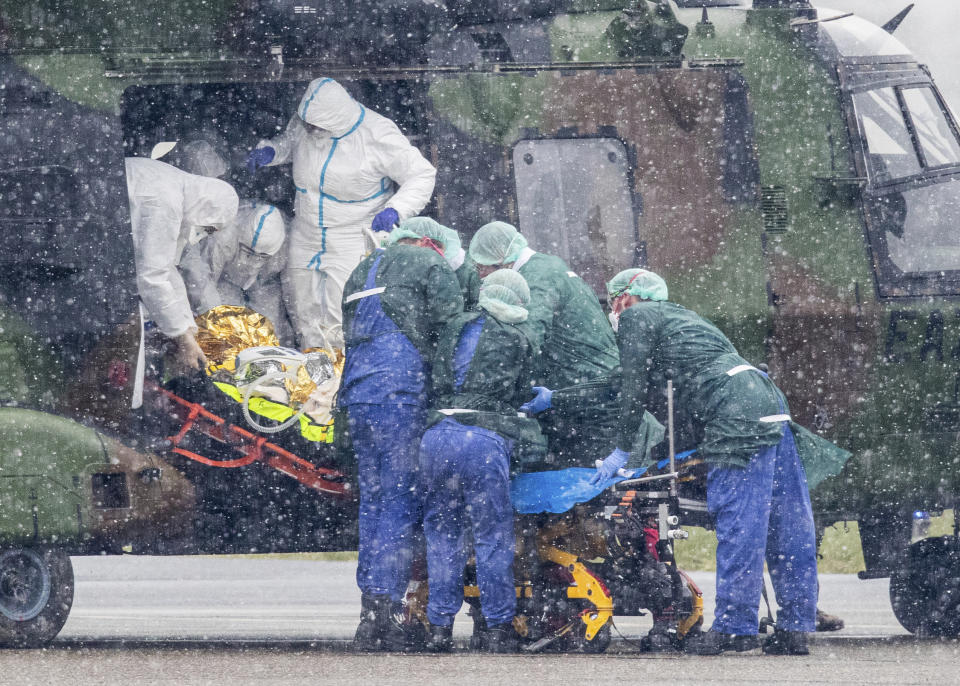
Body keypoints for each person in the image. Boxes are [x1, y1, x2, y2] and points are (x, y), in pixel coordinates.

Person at [524, 268, 850, 656]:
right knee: (786, 521)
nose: (613, 309)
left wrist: (621, 452)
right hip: (768, 401)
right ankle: (795, 627)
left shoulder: (637, 318)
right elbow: (615, 384)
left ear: (626, 297)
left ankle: (735, 627)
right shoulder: (682, 317)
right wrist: (556, 398)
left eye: (613, 300)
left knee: (741, 522)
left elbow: (631, 393)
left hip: (736, 411)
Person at [337, 225, 463, 650]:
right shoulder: (430, 262)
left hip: (357, 394)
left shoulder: (360, 269)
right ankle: (386, 609)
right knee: (399, 499)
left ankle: (370, 612)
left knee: (373, 500)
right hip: (399, 393)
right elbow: (453, 333)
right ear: (431, 243)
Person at [247, 77, 437, 351]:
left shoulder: (377, 135)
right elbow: (291, 141)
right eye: (306, 124)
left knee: (342, 307)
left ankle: (340, 371)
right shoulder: (307, 122)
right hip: (306, 227)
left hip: (352, 232)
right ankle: (311, 366)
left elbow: (422, 174)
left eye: (315, 126)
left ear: (334, 118)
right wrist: (273, 150)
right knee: (301, 305)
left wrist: (397, 208)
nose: (309, 129)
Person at [419, 269, 544, 653]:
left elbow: (436, 374)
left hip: (437, 436)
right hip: (483, 440)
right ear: (518, 302)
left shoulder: (455, 324)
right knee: (492, 536)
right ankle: (497, 627)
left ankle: (438, 628)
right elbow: (521, 394)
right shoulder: (519, 337)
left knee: (442, 536)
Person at [468, 220, 619, 468]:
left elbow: (528, 336)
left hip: (587, 395)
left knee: (590, 482)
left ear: (503, 259)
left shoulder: (536, 279)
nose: (482, 276)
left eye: (484, 268)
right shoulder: (547, 266)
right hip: (591, 387)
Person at [125, 157, 239, 374]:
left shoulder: (179, 190)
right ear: (208, 211)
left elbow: (168, 269)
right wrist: (182, 338)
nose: (204, 234)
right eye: (209, 229)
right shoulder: (166, 203)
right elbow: (151, 278)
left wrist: (189, 329)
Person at [179, 200, 294, 344]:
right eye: (248, 252)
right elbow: (205, 281)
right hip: (227, 280)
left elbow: (293, 289)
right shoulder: (223, 234)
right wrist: (215, 317)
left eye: (262, 256)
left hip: (266, 284)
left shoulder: (290, 244)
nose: (253, 262)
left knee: (272, 331)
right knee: (229, 329)